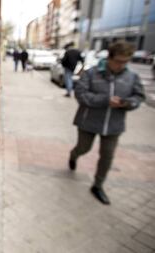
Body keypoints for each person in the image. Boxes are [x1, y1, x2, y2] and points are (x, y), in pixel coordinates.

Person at [69, 41, 145, 205]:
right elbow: (80, 94)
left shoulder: (132, 77)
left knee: (107, 156)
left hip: (113, 125)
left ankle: (98, 185)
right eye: (118, 61)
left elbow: (138, 97)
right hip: (88, 121)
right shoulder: (91, 73)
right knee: (84, 148)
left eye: (125, 61)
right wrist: (105, 100)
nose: (121, 65)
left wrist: (126, 103)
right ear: (109, 58)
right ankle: (74, 155)